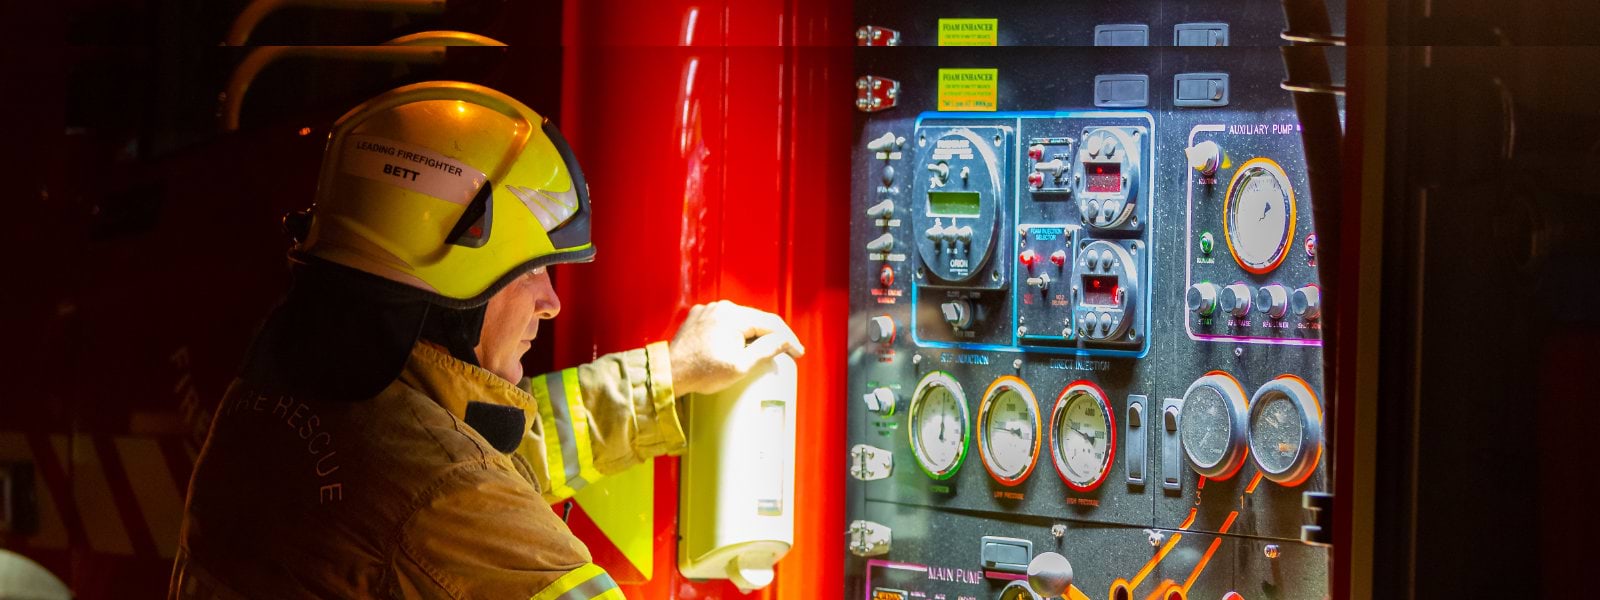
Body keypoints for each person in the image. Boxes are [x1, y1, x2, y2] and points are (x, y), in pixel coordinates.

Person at [168, 81, 804, 599]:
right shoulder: (443, 497)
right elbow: (462, 487)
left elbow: (500, 456)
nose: (551, 302)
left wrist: (668, 373)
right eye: (530, 269)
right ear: (459, 277)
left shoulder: (295, 380)